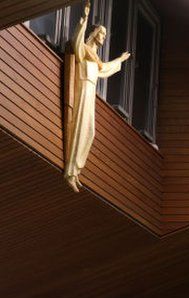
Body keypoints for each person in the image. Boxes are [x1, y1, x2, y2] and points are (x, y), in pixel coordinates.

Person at [63, 1, 130, 191]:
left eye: (105, 35)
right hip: (83, 88)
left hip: (91, 91)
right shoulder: (84, 49)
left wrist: (120, 60)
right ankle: (70, 172)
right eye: (101, 33)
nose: (103, 37)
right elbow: (76, 40)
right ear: (93, 33)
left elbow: (105, 69)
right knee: (81, 127)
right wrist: (83, 19)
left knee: (90, 130)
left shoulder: (96, 59)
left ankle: (76, 171)